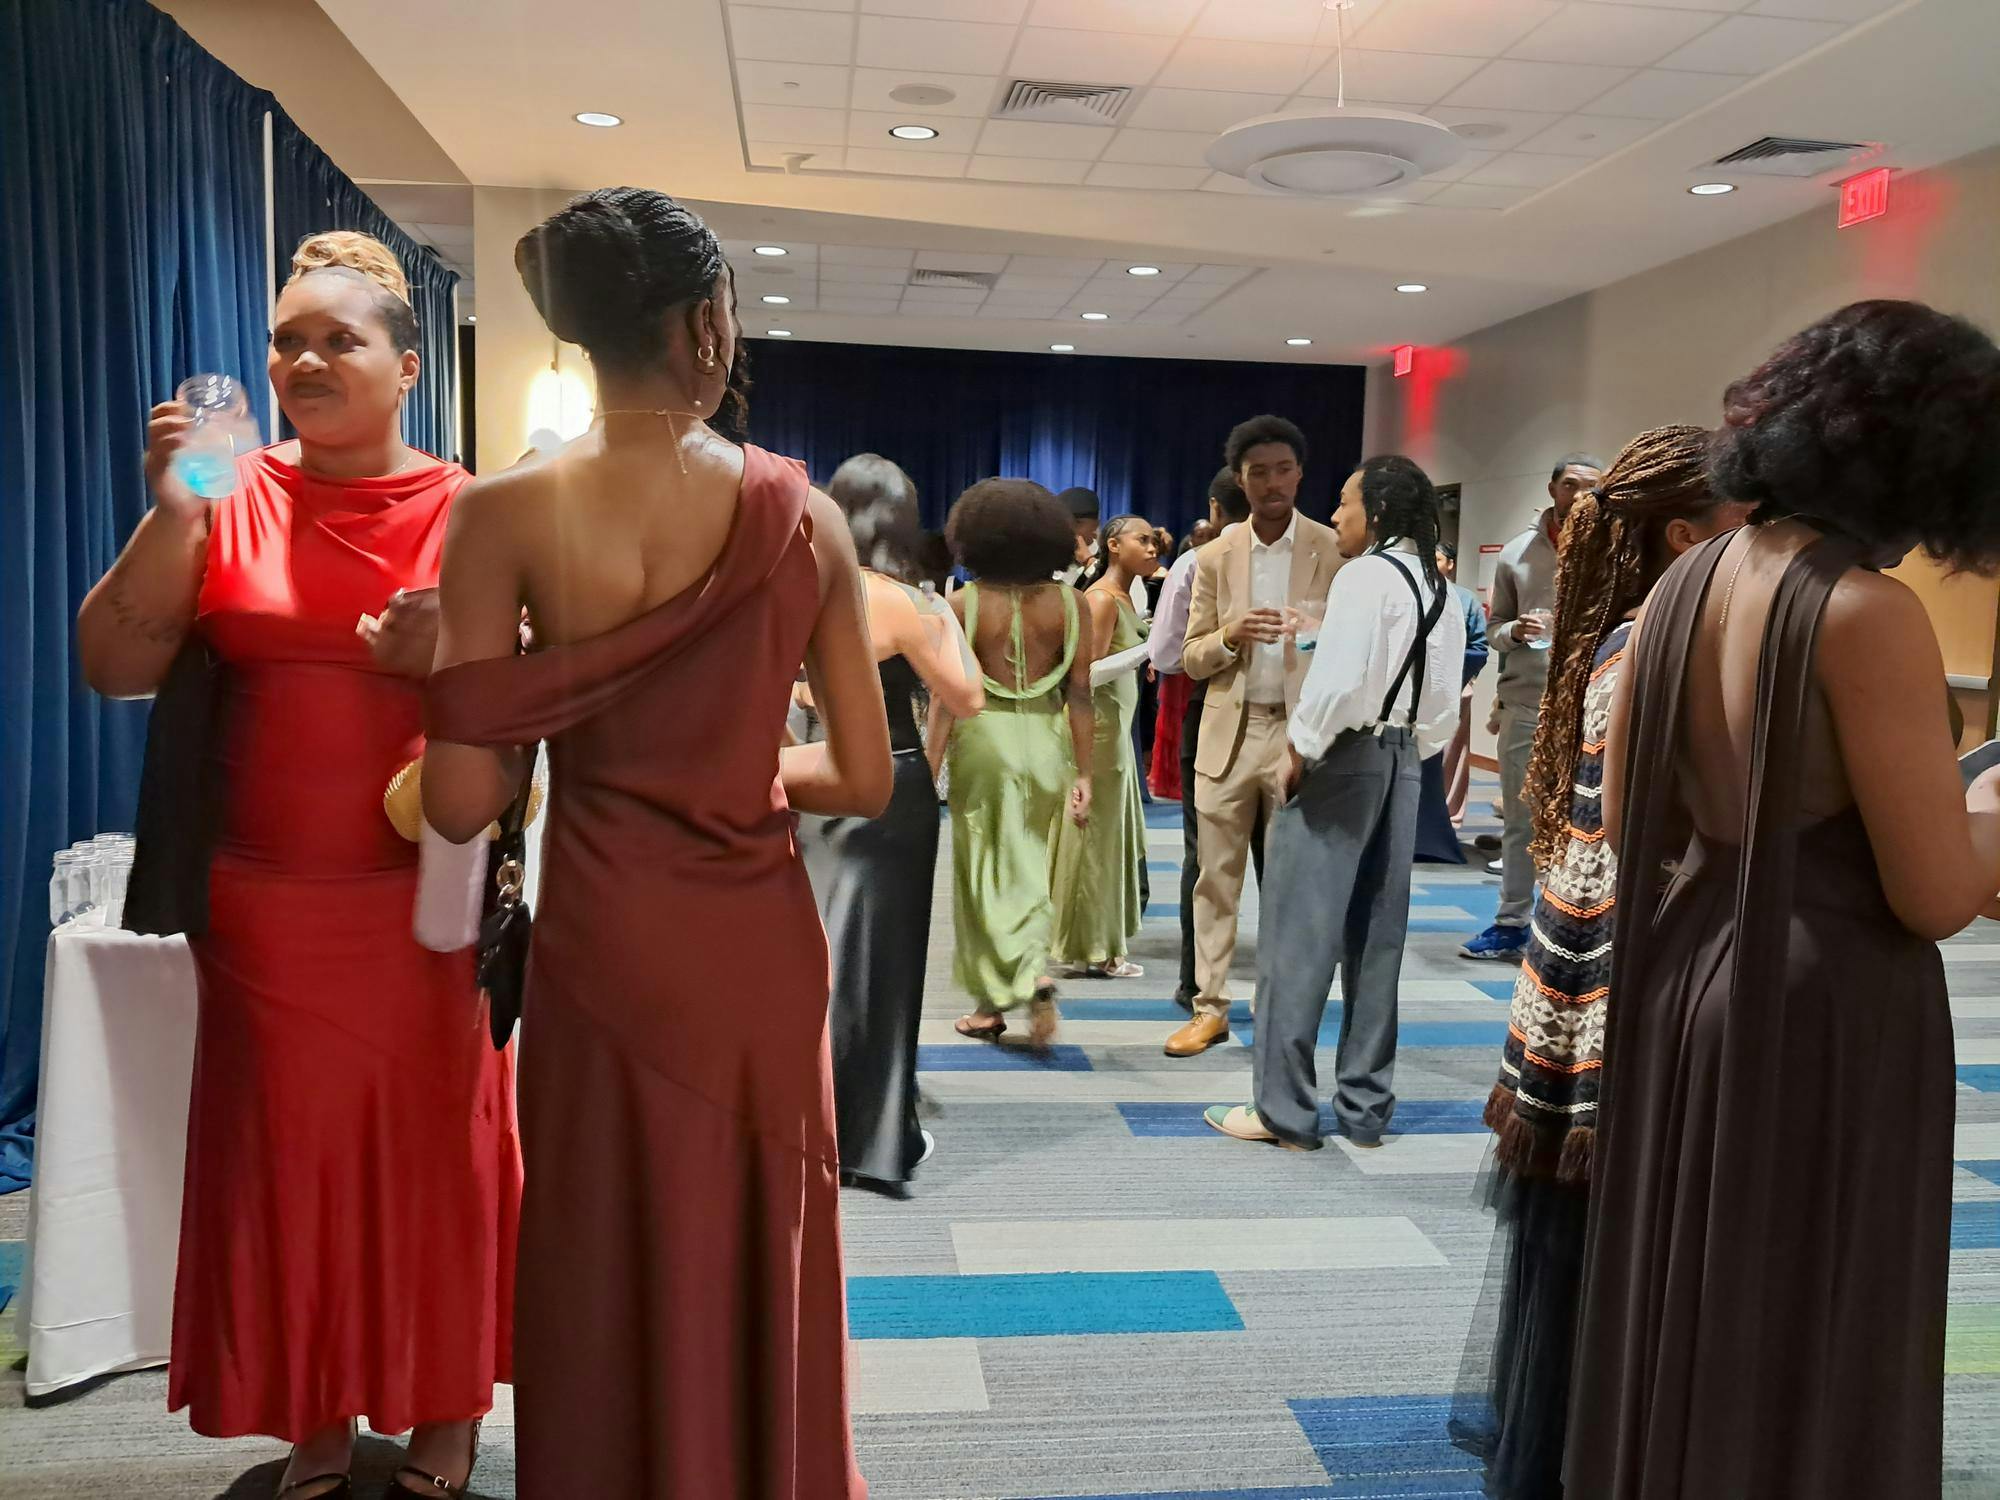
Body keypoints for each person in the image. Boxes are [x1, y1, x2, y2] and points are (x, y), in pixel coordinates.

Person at [421, 188, 885, 1498]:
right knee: (750, 1248)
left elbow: (461, 806)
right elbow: (861, 774)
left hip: (603, 952)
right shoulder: (808, 519)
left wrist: (496, 689)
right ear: (705, 326)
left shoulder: (499, 516)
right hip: (751, 956)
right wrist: (744, 762)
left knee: (608, 1253)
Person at [77, 231, 522, 1499]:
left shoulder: (471, 509)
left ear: (407, 365)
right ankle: (314, 1411)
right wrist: (176, 515)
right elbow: (113, 665)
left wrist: (446, 662)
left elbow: (540, 705)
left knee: (436, 1148)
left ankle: (444, 1408)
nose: (307, 360)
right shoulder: (229, 484)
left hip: (420, 899)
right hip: (259, 904)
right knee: (285, 1155)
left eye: (341, 339)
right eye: (287, 341)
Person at [1569, 301, 2000, 1499]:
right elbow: (1931, 894)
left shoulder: (1682, 587)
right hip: (1825, 1002)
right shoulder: (1866, 615)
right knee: (1817, 1304)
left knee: (1700, 1293)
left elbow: (1631, 827)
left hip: (1686, 973)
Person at [1448, 426, 1751, 1498]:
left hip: (1570, 968)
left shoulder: (1615, 638)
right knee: (1607, 1249)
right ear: (1685, 534)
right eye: (1740, 521)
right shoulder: (1664, 649)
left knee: (1579, 1250)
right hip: (1613, 964)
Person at [1203, 455, 1463, 1149]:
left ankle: (1283, 1112)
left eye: (1345, 502)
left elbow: (1340, 682)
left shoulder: (1366, 575)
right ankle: (1366, 1108)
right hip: (1405, 763)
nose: (1338, 516)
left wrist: (1300, 750)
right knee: (1377, 942)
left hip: (1342, 759)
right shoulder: (1436, 582)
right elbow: (1443, 705)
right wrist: (1402, 752)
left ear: (1374, 511)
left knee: (1298, 941)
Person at [803, 454, 984, 1195]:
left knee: (819, 960)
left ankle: (813, 1122)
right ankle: (877, 1134)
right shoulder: (908, 604)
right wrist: (946, 619)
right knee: (887, 965)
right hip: (894, 787)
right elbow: (966, 697)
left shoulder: (796, 590)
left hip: (814, 785)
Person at [1165, 417, 1342, 1057]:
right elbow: (1189, 658)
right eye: (1258, 472)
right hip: (1229, 734)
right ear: (1239, 480)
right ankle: (1209, 1006)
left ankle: (1279, 1009)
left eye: (1283, 469)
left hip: (1302, 736)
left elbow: (1348, 651)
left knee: (1291, 881)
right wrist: (1232, 635)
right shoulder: (1212, 557)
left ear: (1300, 473)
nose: (1272, 483)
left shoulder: (1333, 550)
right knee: (1215, 879)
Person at [936, 479, 1096, 1046]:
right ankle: (1013, 983)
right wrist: (1084, 772)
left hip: (983, 741)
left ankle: (1008, 990)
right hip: (1047, 741)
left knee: (982, 874)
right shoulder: (1074, 605)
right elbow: (1082, 693)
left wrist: (928, 768)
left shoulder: (964, 603)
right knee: (1028, 864)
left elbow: (945, 699)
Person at [1461, 452, 1603, 961]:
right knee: (1521, 817)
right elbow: (1493, 629)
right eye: (1570, 485)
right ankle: (1510, 921)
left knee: (1585, 819)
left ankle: (1568, 927)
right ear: (1551, 489)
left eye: (1591, 487)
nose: (1579, 495)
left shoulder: (1616, 551)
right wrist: (1514, 631)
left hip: (1593, 704)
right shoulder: (1517, 553)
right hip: (1528, 701)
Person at [1052, 514, 1157, 978]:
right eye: (1143, 539)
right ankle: (1094, 946)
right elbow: (1086, 675)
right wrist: (1147, 651)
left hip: (1115, 731)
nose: (1153, 547)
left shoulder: (1122, 597)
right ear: (1114, 545)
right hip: (1098, 732)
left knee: (1108, 837)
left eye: (1154, 540)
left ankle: (1103, 943)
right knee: (1095, 838)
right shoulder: (1100, 599)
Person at [1148, 512, 1224, 803]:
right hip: (1185, 660)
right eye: (1199, 535)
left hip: (1196, 660)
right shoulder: (1191, 563)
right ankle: (1169, 779)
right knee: (1175, 720)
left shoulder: (1191, 564)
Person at [1437, 543, 1488, 826]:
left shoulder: (1466, 599)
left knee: (1452, 755)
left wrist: (1456, 675)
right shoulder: (1416, 591)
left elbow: (1479, 647)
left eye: (1439, 558)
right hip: (1417, 689)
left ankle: (1450, 816)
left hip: (1456, 688)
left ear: (1451, 564)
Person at [1057, 484, 1102, 586]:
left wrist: (1089, 562)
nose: (1070, 529)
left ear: (1095, 525)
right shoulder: (1050, 558)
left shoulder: (1109, 561)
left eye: (1077, 523)